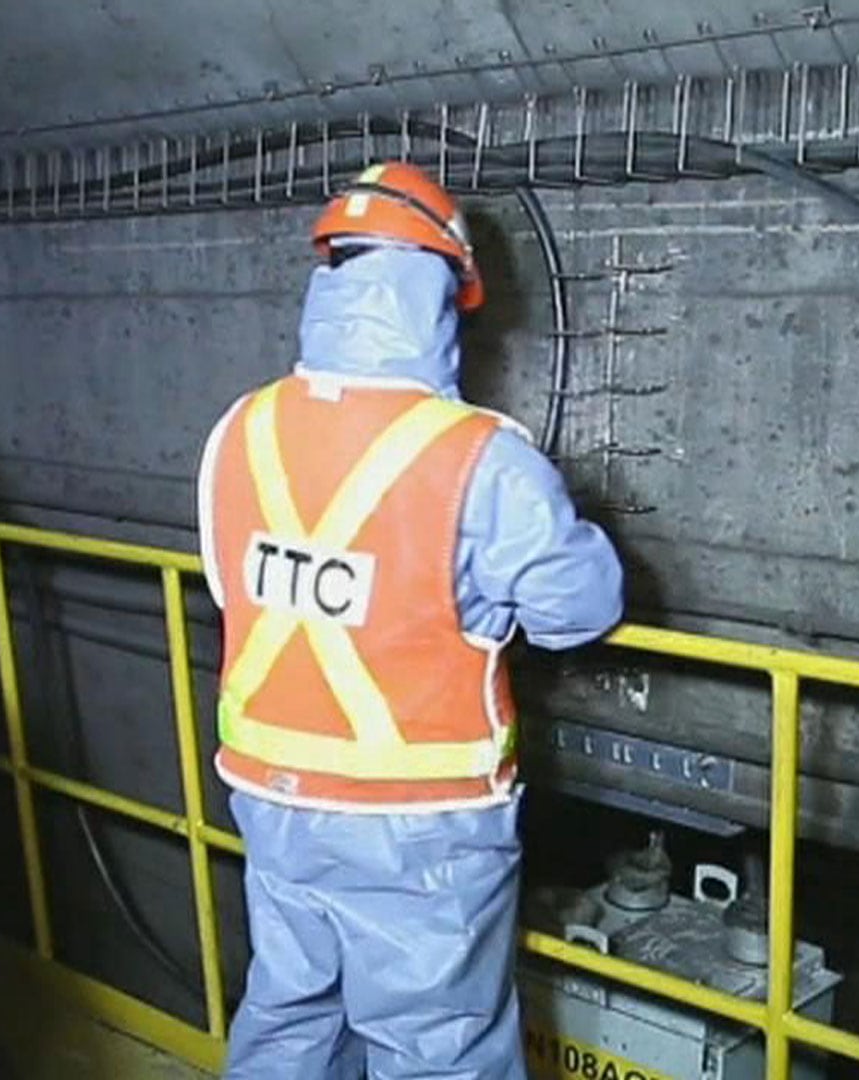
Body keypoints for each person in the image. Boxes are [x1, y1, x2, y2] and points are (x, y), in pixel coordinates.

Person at [197, 162, 624, 1079]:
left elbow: (238, 589)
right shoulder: (480, 456)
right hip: (421, 823)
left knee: (290, 1013)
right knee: (439, 1049)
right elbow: (577, 610)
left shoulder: (243, 428)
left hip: (274, 797)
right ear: (445, 294)